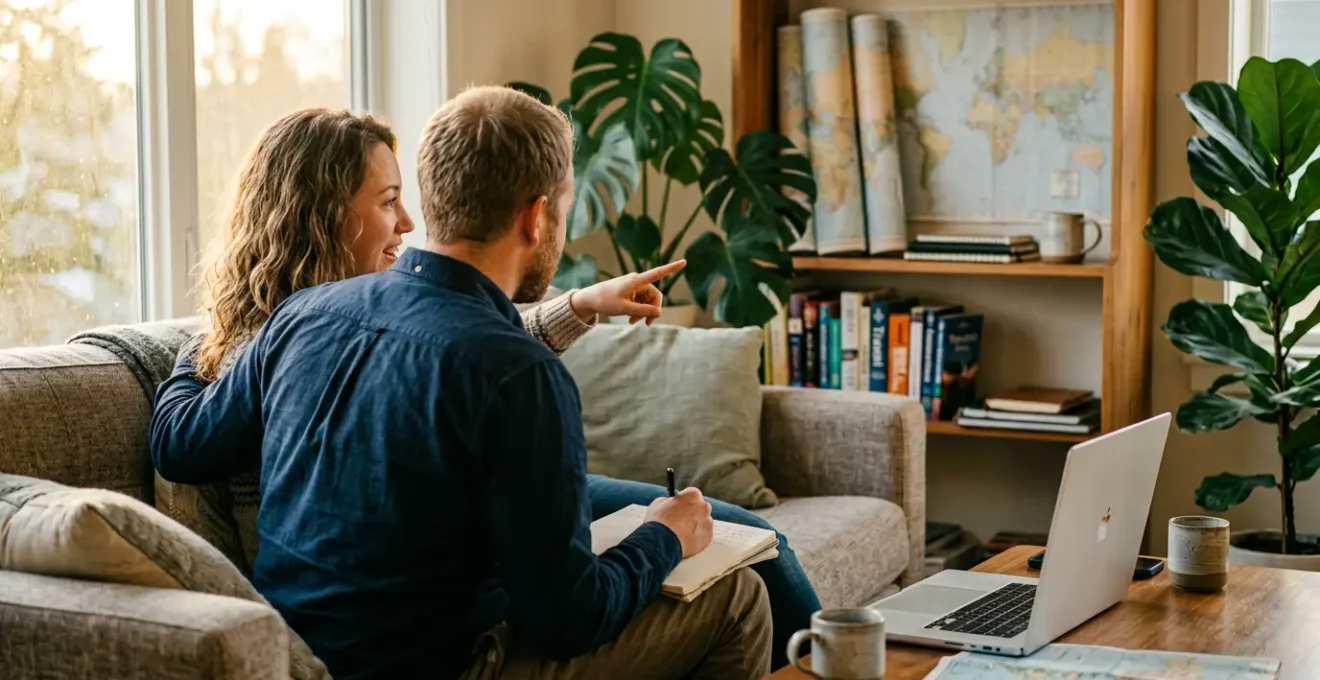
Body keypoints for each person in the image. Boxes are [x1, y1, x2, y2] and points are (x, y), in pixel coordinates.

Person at [150, 88, 778, 679]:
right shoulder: (519, 375)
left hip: (300, 655)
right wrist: (662, 538)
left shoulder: (302, 315)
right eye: (561, 208)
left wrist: (204, 341)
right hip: (443, 665)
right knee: (738, 597)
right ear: (537, 217)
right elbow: (568, 621)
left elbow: (183, 442)